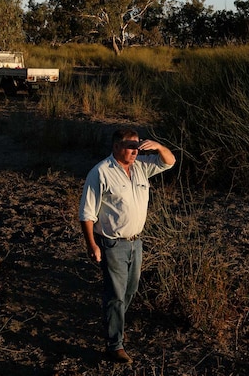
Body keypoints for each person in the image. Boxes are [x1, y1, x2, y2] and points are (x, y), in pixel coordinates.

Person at [79, 128, 176, 364]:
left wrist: (159, 147)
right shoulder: (100, 172)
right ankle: (115, 345)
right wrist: (92, 245)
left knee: (130, 290)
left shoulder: (142, 166)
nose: (134, 150)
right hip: (112, 243)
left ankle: (114, 325)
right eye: (129, 146)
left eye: (137, 146)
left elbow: (170, 162)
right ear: (115, 147)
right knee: (116, 295)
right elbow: (86, 214)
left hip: (136, 242)